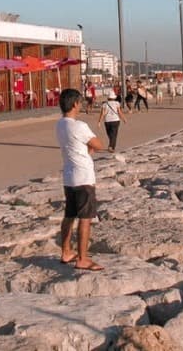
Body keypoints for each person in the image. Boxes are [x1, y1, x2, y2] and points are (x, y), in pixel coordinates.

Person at [56, 88, 105, 271]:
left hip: (69, 177)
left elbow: (77, 145)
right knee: (85, 218)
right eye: (80, 102)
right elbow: (98, 145)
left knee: (69, 215)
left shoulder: (60, 125)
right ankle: (83, 258)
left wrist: (85, 148)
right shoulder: (79, 126)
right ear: (75, 104)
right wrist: (88, 148)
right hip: (83, 177)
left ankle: (66, 251)